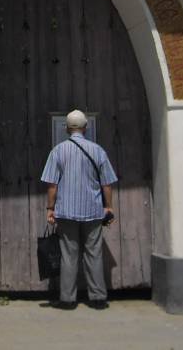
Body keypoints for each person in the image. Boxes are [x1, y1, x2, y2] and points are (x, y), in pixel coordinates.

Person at [41, 109, 117, 310]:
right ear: (85, 127)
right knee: (94, 254)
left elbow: (52, 185)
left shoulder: (58, 151)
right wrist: (108, 207)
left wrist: (50, 208)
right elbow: (107, 183)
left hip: (66, 212)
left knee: (69, 256)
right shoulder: (98, 151)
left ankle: (67, 299)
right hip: (93, 211)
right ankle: (98, 299)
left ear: (66, 128)